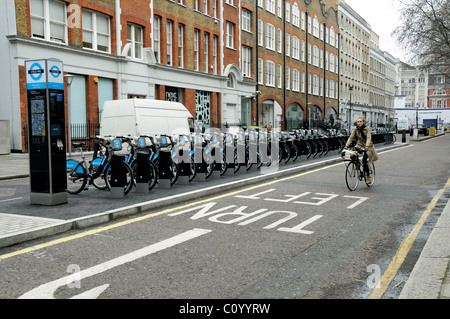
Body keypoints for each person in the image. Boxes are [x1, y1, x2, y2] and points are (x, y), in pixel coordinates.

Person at [345, 116, 378, 184]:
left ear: (363, 122)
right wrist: (346, 146)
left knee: (364, 160)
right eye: (358, 122)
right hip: (360, 144)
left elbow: (369, 138)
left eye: (360, 121)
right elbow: (351, 137)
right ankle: (357, 164)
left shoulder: (367, 128)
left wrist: (366, 146)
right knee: (353, 153)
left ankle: (368, 177)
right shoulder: (355, 129)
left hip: (368, 146)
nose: (359, 123)